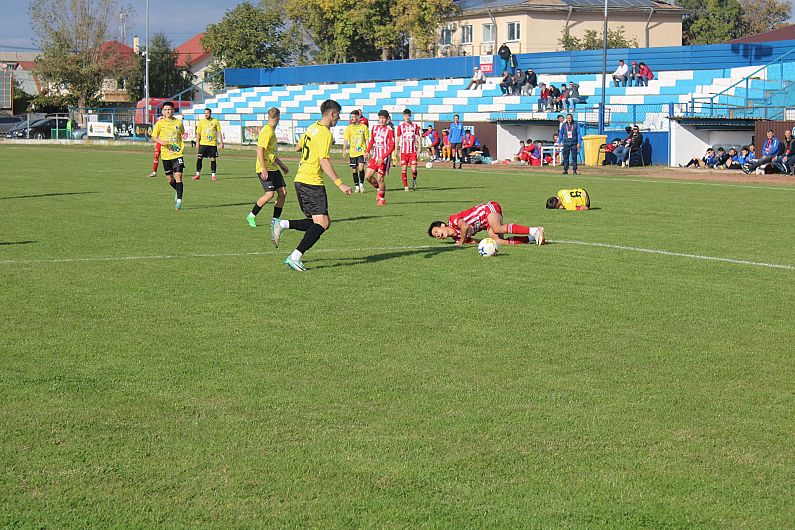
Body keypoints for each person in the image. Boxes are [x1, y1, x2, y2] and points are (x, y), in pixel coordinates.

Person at [272, 99, 352, 272]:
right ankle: (294, 257)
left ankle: (283, 224)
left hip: (301, 179)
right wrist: (340, 184)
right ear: (332, 114)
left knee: (323, 222)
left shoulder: (311, 128)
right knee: (321, 223)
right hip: (311, 181)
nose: (338, 119)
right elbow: (323, 160)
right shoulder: (325, 133)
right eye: (338, 115)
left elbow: (298, 147)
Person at [246, 107, 290, 236]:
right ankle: (251, 215)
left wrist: (282, 166)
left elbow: (271, 153)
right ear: (279, 117)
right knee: (270, 194)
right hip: (265, 168)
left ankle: (275, 221)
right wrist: (264, 168)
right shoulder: (267, 131)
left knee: (282, 192)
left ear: (268, 117)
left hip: (273, 167)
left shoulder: (271, 131)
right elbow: (259, 150)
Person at [429, 202, 544, 246]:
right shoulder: (457, 238)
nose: (438, 235)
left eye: (436, 231)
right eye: (436, 236)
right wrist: (487, 244)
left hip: (487, 209)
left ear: (442, 225)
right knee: (498, 242)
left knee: (497, 228)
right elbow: (475, 241)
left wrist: (461, 242)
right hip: (485, 223)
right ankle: (532, 238)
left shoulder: (452, 220)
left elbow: (465, 226)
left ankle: (535, 230)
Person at [150, 102, 186, 210]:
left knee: (178, 176)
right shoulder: (159, 123)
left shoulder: (178, 123)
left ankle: (179, 200)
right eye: (165, 110)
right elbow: (153, 136)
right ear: (162, 111)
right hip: (166, 155)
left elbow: (182, 133)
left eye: (169, 109)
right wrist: (161, 142)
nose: (167, 111)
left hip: (177, 153)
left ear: (173, 110)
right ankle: (177, 190)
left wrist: (184, 135)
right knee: (170, 180)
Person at [363, 109, 395, 206]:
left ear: (387, 119)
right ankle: (379, 189)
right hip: (375, 157)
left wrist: (383, 157)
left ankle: (382, 199)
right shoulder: (375, 128)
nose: (381, 120)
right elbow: (372, 141)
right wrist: (367, 151)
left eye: (383, 118)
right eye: (380, 118)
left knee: (380, 178)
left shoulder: (389, 131)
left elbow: (392, 146)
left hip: (384, 159)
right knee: (367, 176)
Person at [342, 109, 370, 193]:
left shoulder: (364, 127)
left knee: (361, 167)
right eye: (351, 117)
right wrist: (344, 150)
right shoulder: (349, 128)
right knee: (354, 169)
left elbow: (367, 139)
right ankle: (356, 186)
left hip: (362, 151)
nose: (352, 119)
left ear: (358, 117)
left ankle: (361, 185)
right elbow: (346, 140)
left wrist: (367, 151)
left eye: (353, 117)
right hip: (353, 152)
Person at [193, 108, 224, 181]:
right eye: (205, 113)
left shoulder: (215, 121)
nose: (206, 114)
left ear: (210, 113)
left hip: (212, 144)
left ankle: (213, 175)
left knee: (213, 159)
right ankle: (197, 174)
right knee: (199, 158)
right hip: (203, 143)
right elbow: (198, 133)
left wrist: (221, 142)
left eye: (207, 113)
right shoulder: (201, 122)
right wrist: (197, 142)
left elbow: (219, 132)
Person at [396, 108, 422, 191]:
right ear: (403, 116)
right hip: (403, 152)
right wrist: (396, 150)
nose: (407, 117)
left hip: (412, 151)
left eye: (408, 116)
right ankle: (406, 187)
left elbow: (418, 137)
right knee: (404, 169)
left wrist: (419, 147)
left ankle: (414, 180)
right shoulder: (400, 127)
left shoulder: (414, 126)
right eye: (405, 116)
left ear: (410, 116)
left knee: (414, 169)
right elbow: (398, 138)